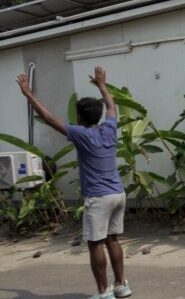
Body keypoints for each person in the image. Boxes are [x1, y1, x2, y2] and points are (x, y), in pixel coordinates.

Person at [16, 67, 132, 299]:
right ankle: (121, 286)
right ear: (97, 115)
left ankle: (103, 291)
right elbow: (111, 106)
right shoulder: (109, 128)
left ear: (80, 117)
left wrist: (28, 94)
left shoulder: (80, 133)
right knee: (112, 240)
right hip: (118, 193)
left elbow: (49, 118)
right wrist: (101, 85)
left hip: (99, 198)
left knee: (95, 243)